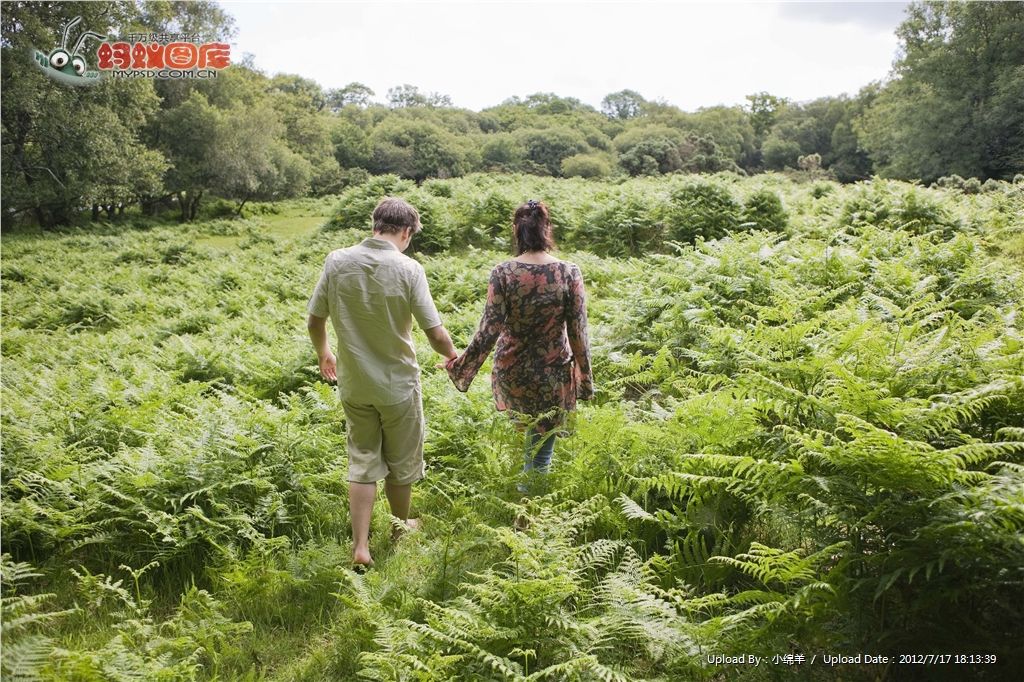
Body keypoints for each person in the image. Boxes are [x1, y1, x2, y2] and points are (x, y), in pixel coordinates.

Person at [307, 197, 458, 570]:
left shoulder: (338, 261)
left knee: (362, 461)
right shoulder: (409, 268)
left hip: (355, 383)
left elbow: (315, 319)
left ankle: (360, 546)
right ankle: (399, 527)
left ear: (374, 224)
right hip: (398, 386)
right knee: (401, 462)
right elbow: (435, 333)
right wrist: (454, 356)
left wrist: (324, 353)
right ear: (406, 232)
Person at [444, 199, 593, 492]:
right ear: (547, 229)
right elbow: (578, 331)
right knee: (541, 446)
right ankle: (529, 508)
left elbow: (489, 330)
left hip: (512, 372)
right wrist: (584, 375)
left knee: (531, 437)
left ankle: (526, 501)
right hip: (553, 371)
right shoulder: (568, 272)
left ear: (516, 230)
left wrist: (460, 367)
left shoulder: (503, 272)